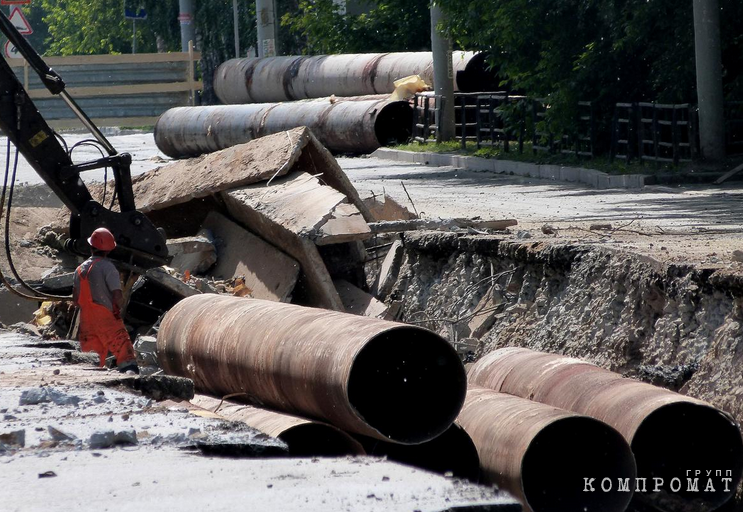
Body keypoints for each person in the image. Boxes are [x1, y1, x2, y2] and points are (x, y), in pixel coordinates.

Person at [72, 227, 138, 374]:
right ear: (108, 250)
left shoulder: (78, 270)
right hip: (106, 318)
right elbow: (117, 296)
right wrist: (117, 310)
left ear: (91, 246)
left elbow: (75, 300)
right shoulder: (108, 268)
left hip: (86, 321)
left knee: (91, 359)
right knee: (124, 352)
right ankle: (132, 383)